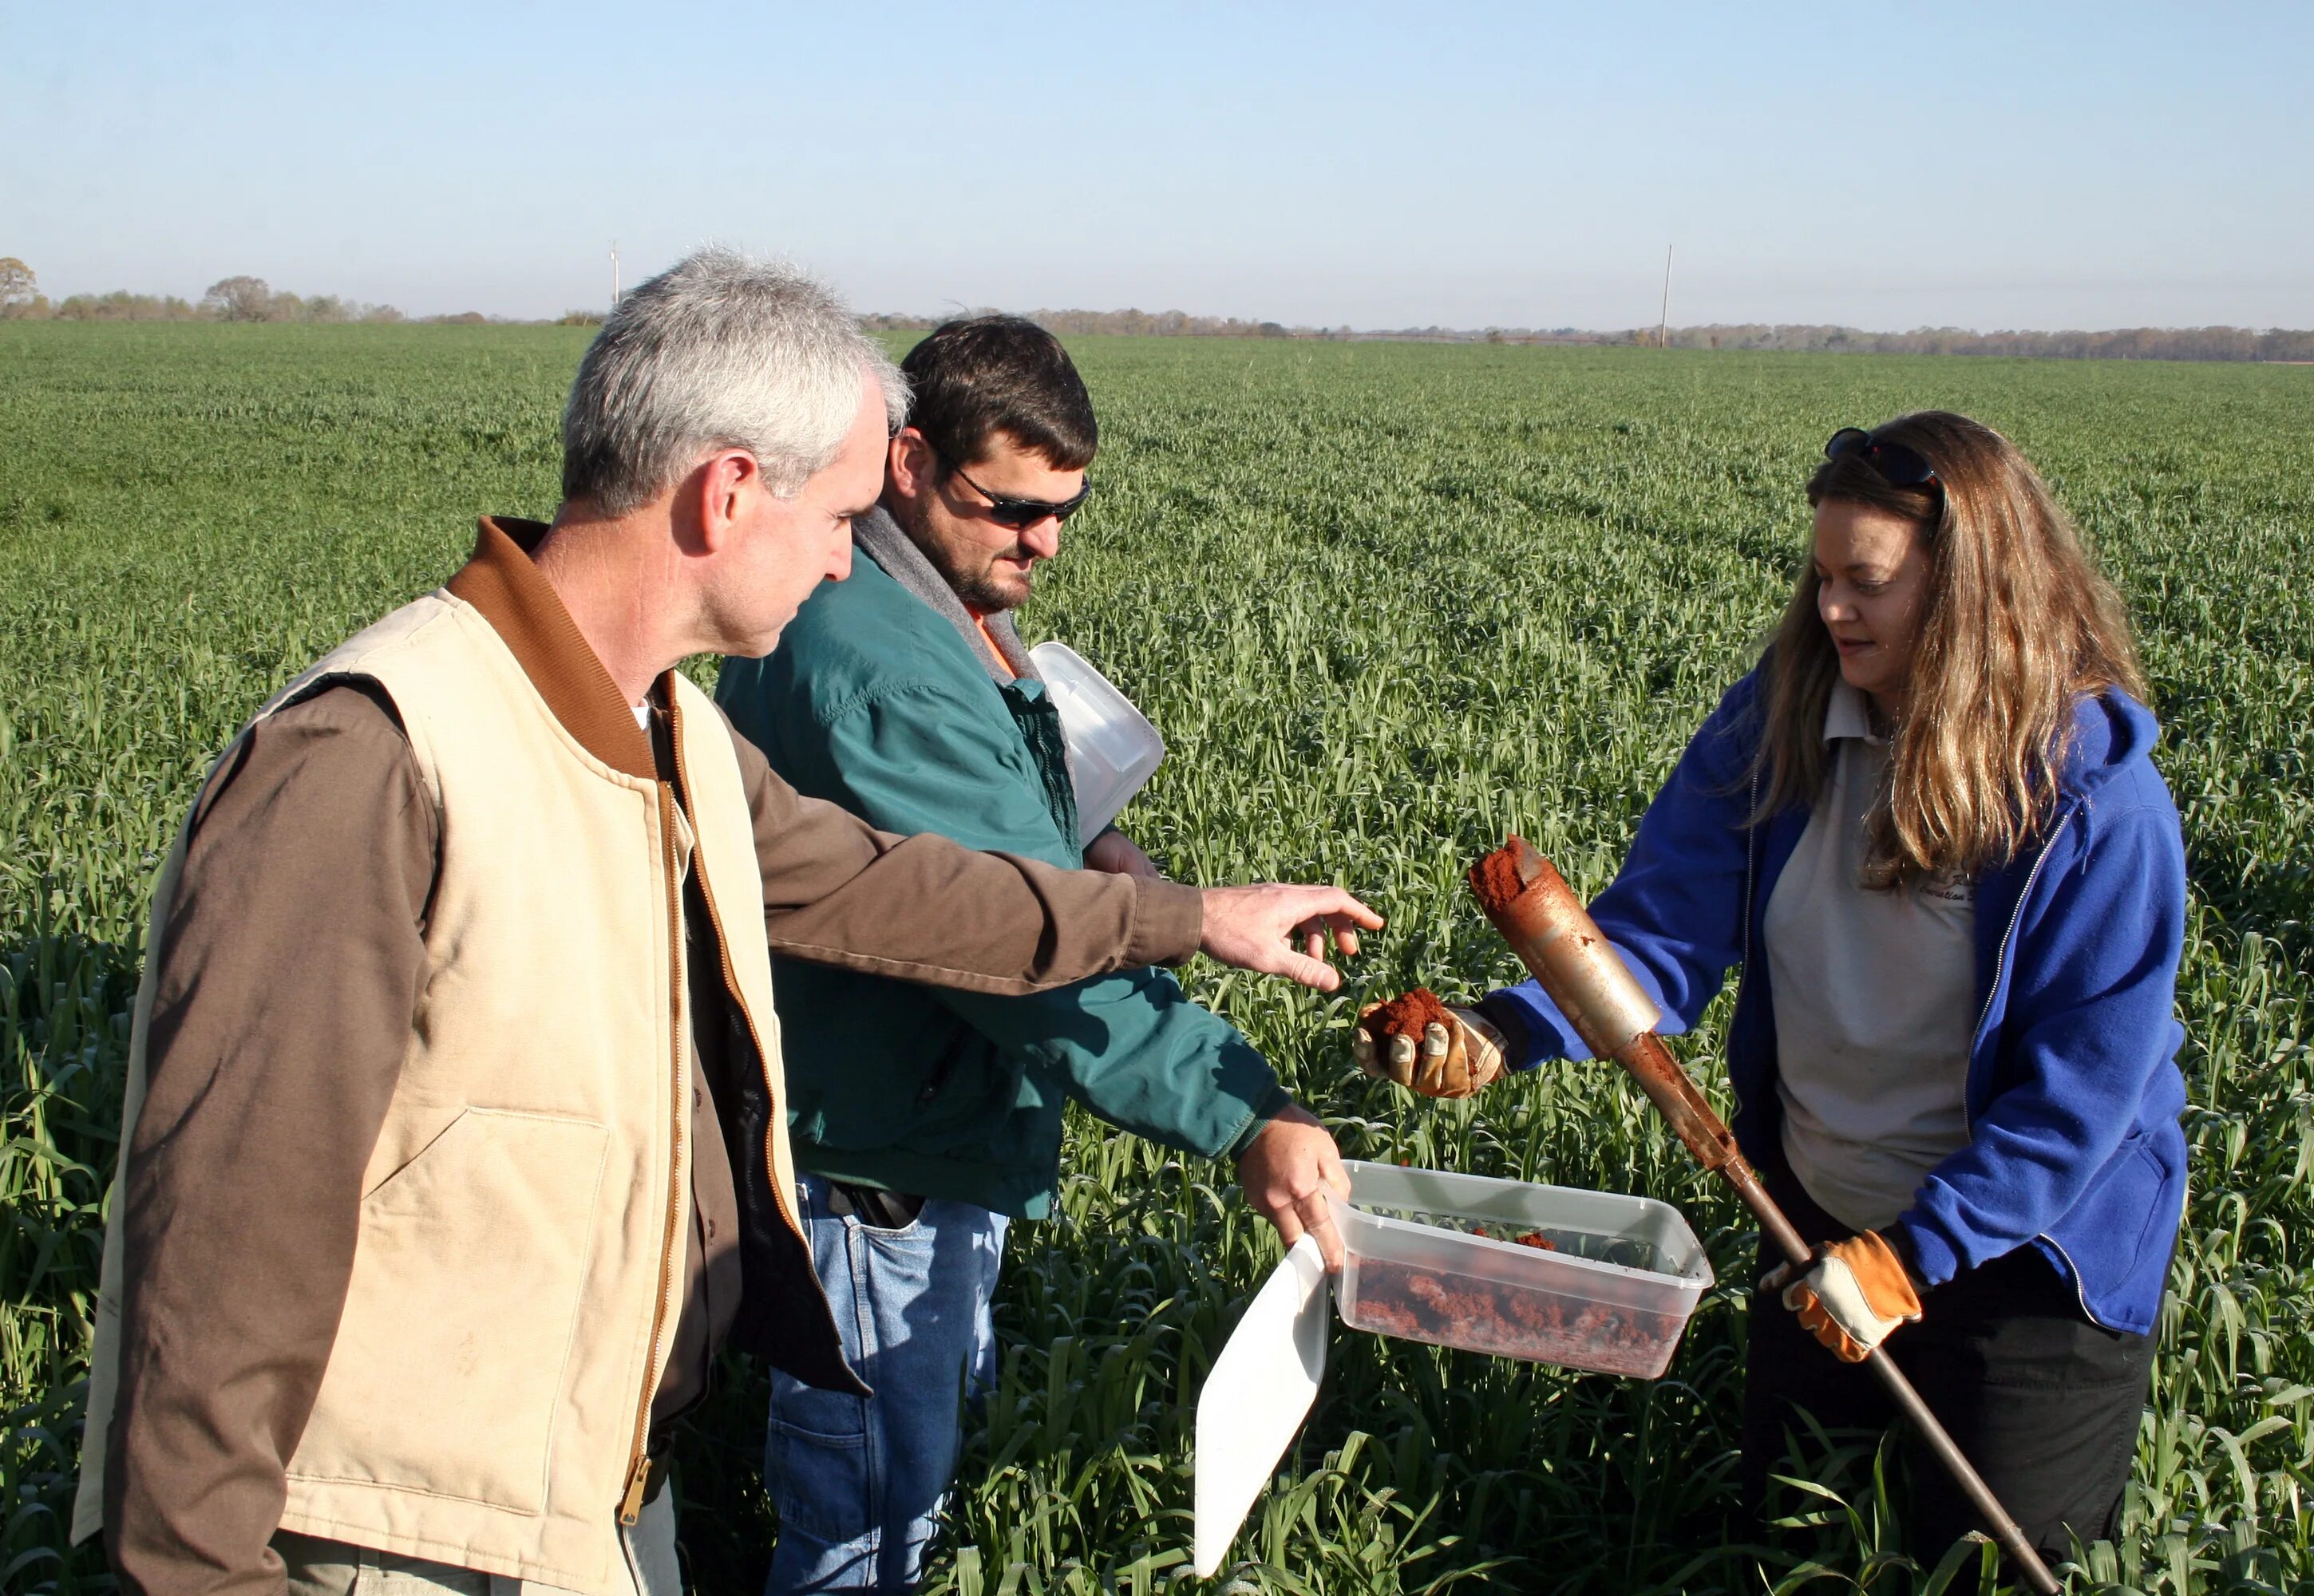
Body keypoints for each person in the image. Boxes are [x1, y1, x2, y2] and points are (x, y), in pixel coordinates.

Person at [70, 251, 1379, 1596]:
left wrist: (1188, 917)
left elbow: (893, 891)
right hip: (397, 1534)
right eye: (841, 517)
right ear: (729, 491)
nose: (844, 563)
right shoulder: (374, 753)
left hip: (582, 1493)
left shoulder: (673, 726)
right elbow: (223, 1240)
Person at [1355, 412, 2185, 1565]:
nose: (1833, 607)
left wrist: (1914, 1255)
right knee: (1793, 1546)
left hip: (2021, 1270)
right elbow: (1660, 932)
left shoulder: (2091, 806)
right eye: (1822, 575)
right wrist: (1506, 1028)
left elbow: (2078, 1100)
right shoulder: (1785, 715)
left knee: (1986, 1566)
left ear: (1975, 592)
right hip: (1815, 1224)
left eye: (1871, 582)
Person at [715, 315, 1351, 1594]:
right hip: (871, 1170)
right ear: (907, 463)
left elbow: (1002, 847)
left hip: (924, 1131)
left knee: (911, 1488)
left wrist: (1122, 870)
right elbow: (1020, 947)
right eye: (1009, 506)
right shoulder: (882, 664)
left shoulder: (930, 596)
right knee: (866, 1536)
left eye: (1066, 508)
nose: (1045, 541)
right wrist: (1248, 1114)